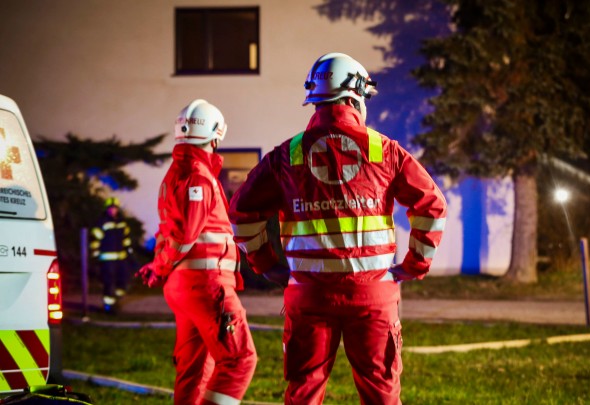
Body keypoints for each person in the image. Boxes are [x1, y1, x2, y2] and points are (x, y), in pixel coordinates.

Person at [228, 52, 448, 405]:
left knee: (304, 393)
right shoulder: (384, 150)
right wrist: (413, 265)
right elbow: (432, 207)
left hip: (309, 295)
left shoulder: (287, 155)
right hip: (373, 295)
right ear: (356, 95)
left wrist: (266, 264)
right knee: (381, 394)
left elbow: (241, 212)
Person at [136, 99, 257, 405]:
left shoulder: (175, 174)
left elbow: (171, 231)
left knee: (195, 369)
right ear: (215, 135)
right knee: (239, 360)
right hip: (206, 283)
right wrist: (161, 267)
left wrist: (159, 266)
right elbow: (186, 233)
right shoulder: (199, 176)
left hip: (185, 285)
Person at [90, 197, 132, 313]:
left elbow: (126, 238)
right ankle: (109, 306)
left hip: (121, 258)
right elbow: (95, 240)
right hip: (106, 258)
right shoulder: (101, 222)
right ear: (106, 209)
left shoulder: (122, 223)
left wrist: (128, 250)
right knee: (108, 282)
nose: (113, 210)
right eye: (110, 208)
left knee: (124, 280)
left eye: (115, 208)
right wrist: (95, 254)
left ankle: (116, 299)